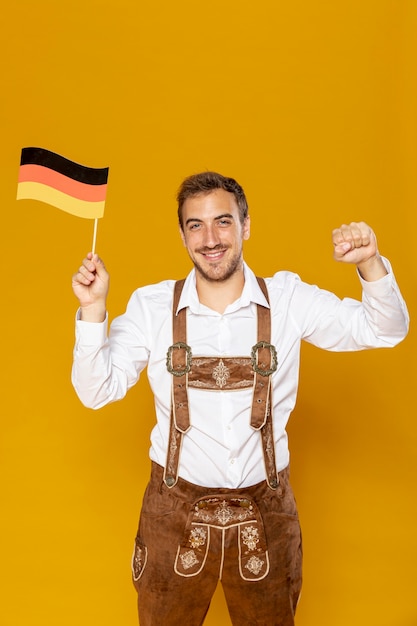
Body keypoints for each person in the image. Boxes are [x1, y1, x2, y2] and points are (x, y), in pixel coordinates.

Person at [71, 172, 409, 626]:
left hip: (266, 514)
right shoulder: (152, 308)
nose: (210, 239)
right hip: (173, 515)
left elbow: (385, 329)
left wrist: (369, 263)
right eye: (196, 225)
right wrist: (93, 311)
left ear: (246, 226)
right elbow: (95, 391)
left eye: (223, 222)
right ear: (182, 234)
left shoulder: (288, 299)